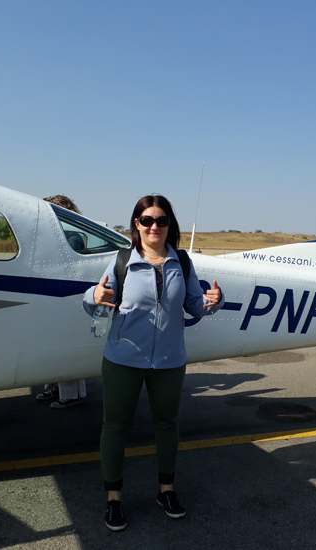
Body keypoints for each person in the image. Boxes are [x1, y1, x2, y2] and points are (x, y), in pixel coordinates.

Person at [83, 194, 223, 531]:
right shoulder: (122, 261)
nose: (154, 226)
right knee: (115, 426)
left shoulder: (183, 262)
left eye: (161, 220)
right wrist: (93, 296)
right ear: (136, 224)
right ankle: (114, 499)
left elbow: (194, 305)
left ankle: (166, 490)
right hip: (122, 359)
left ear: (169, 225)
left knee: (167, 424)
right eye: (147, 220)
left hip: (169, 361)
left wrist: (214, 302)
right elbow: (97, 298)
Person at [37, 195, 89, 408]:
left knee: (65, 344)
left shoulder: (72, 237)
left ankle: (72, 394)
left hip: (66, 298)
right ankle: (53, 387)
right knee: (50, 344)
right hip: (52, 296)